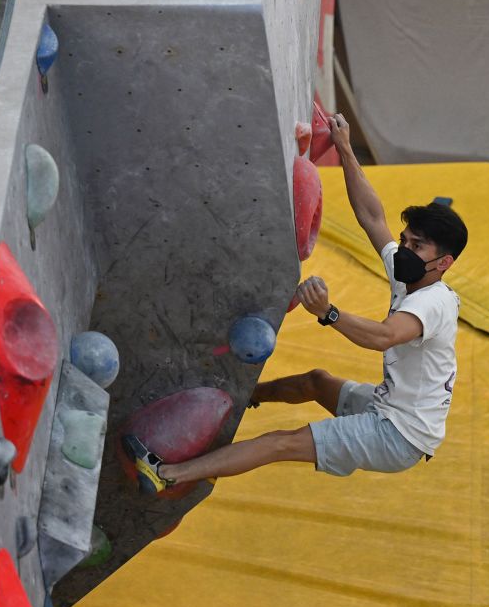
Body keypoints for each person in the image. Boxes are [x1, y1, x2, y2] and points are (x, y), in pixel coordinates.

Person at [123, 113, 466, 491]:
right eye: (405, 240)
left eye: (416, 246)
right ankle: (248, 395)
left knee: (279, 443)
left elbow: (385, 336)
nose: (403, 248)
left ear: (443, 263)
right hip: (390, 407)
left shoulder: (435, 302)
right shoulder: (410, 272)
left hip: (398, 435)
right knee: (316, 383)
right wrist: (345, 148)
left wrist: (328, 313)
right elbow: (371, 215)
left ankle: (165, 474)